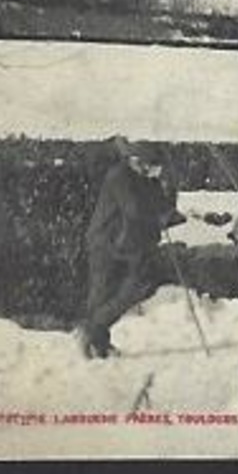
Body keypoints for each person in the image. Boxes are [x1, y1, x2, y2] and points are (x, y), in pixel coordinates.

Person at [78, 138, 182, 360]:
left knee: (134, 288)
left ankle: (94, 333)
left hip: (127, 244)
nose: (153, 171)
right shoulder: (119, 177)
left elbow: (161, 204)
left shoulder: (145, 179)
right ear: (135, 161)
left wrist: (168, 206)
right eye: (149, 165)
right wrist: (160, 216)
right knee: (101, 293)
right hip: (105, 243)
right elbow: (134, 210)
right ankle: (94, 342)